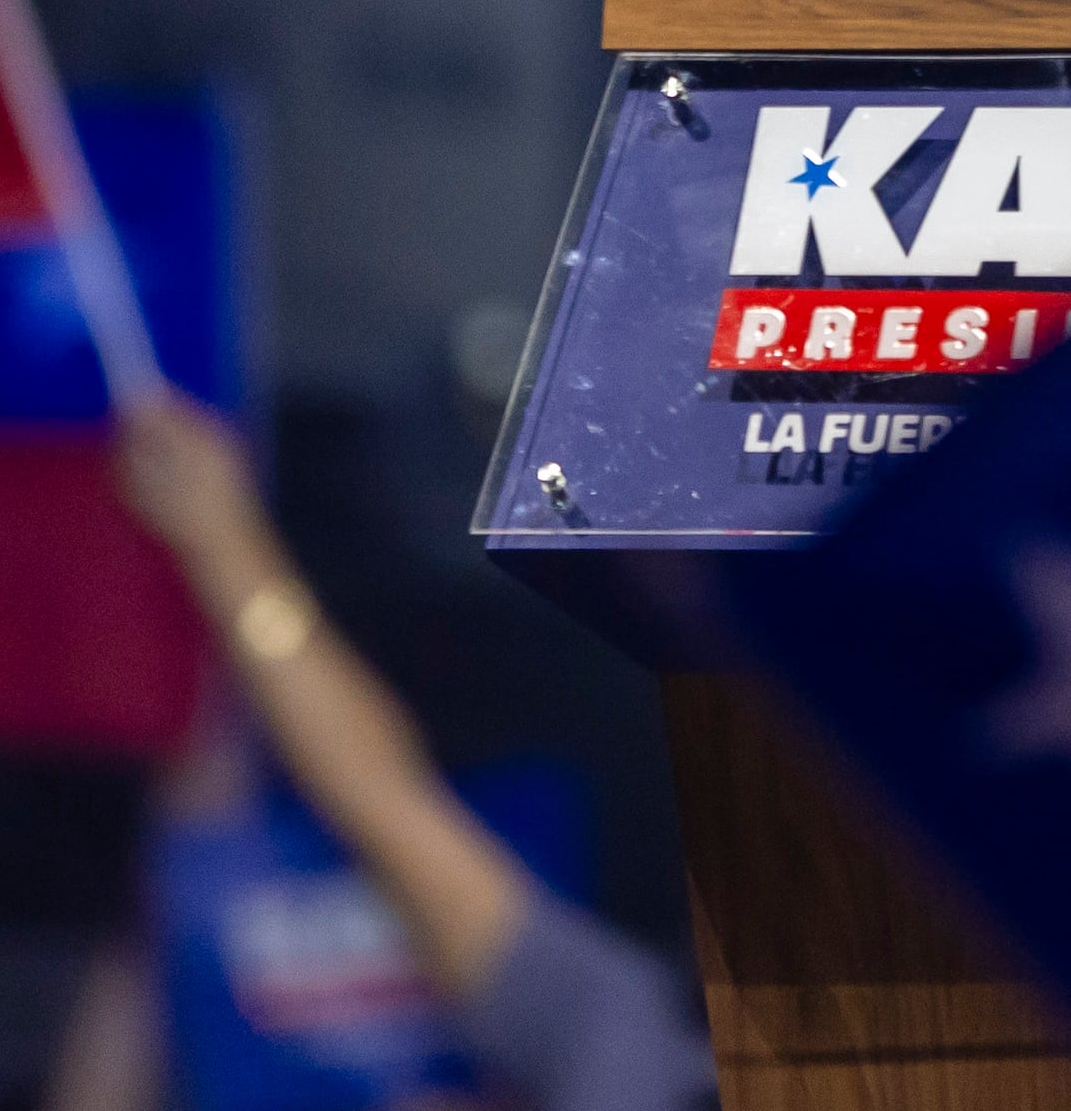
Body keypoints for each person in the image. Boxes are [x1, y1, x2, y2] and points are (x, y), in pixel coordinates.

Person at [61, 393, 712, 1111]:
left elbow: (379, 795)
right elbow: (378, 796)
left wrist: (223, 544)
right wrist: (223, 545)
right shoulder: (627, 1066)